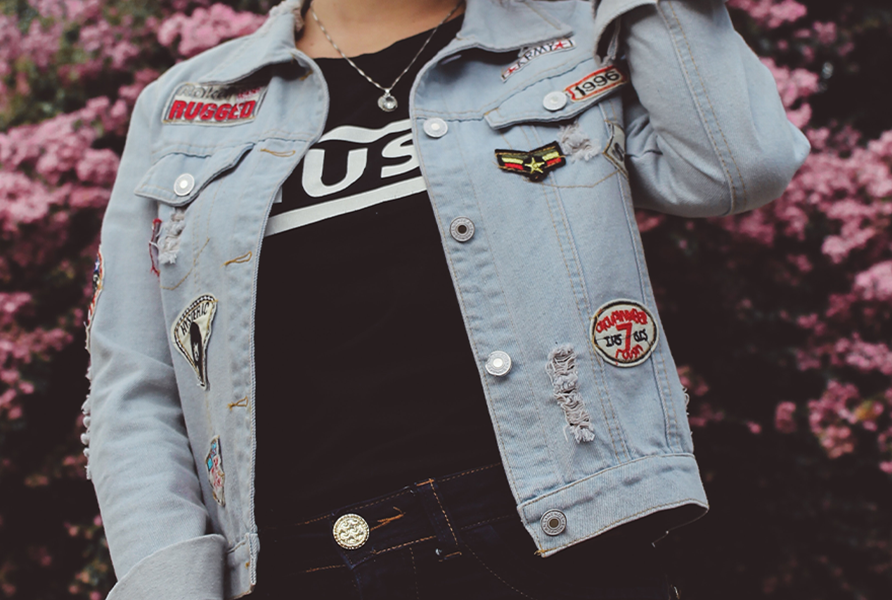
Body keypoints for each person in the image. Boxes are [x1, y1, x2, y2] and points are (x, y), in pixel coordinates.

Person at [82, 0, 810, 598]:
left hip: (562, 546)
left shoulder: (566, 35)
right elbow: (137, 383)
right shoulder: (187, 106)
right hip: (305, 568)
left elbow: (737, 164)